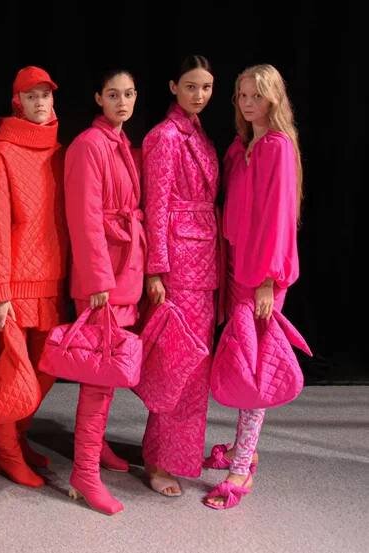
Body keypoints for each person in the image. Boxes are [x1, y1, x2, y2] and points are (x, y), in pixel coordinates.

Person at [203, 64, 303, 510]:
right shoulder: (242, 147)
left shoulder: (277, 147)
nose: (247, 104)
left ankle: (242, 466)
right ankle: (245, 448)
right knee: (244, 362)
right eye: (242, 96)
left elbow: (278, 218)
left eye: (256, 96)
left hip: (261, 274)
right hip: (237, 267)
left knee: (255, 370)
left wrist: (265, 280)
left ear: (273, 99)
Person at [0, 66, 68, 488]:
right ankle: (6, 453)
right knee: (10, 373)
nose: (39, 103)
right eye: (31, 96)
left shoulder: (59, 151)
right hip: (12, 286)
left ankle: (18, 435)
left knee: (46, 367)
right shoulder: (3, 153)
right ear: (17, 103)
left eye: (45, 95)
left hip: (51, 279)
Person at [63, 69, 145, 515]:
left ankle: (95, 449)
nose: (122, 102)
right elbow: (84, 216)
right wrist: (97, 280)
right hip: (102, 278)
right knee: (97, 374)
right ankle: (84, 472)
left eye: (128, 94)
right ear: (98, 98)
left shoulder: (120, 142)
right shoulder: (88, 145)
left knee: (109, 370)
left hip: (123, 268)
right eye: (113, 94)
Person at [140, 55, 219, 497]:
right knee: (177, 364)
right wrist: (157, 269)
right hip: (178, 266)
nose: (199, 95)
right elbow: (155, 205)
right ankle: (158, 460)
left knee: (196, 366)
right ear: (173, 86)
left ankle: (178, 455)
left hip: (204, 262)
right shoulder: (165, 136)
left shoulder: (199, 135)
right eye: (191, 86)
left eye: (206, 87)